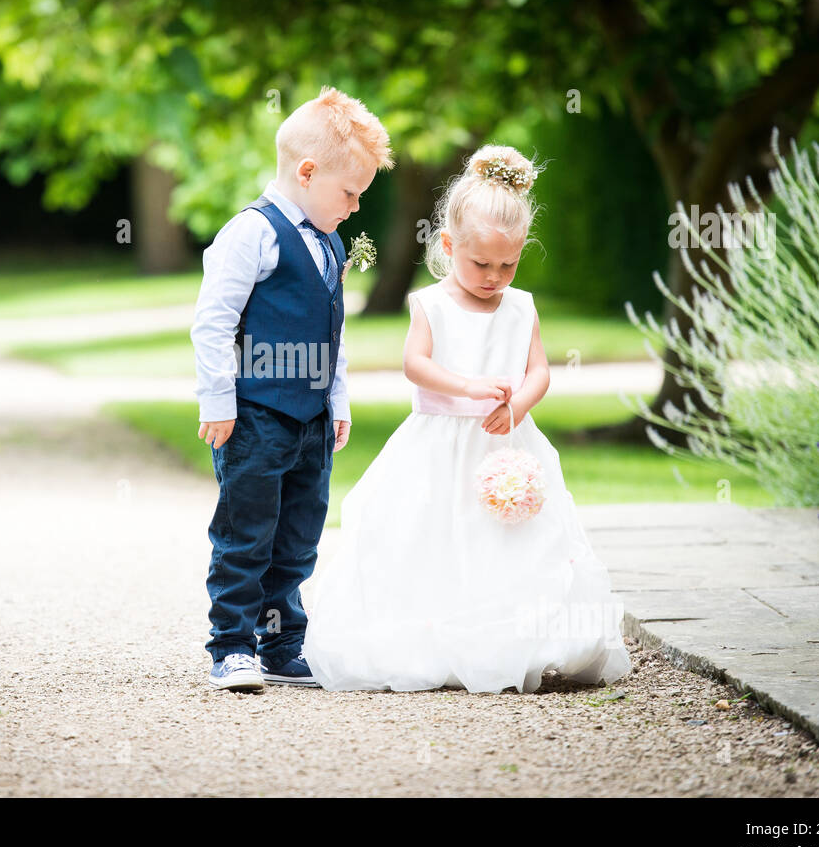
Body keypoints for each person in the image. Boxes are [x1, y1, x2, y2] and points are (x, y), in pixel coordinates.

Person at [301, 144, 632, 694]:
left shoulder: (520, 306)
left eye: (508, 264)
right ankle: (434, 640)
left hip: (506, 446)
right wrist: (469, 386)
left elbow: (539, 371)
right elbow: (415, 366)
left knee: (510, 542)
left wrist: (515, 405)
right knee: (434, 534)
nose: (494, 276)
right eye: (481, 263)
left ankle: (511, 639)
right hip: (438, 442)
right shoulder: (431, 306)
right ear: (449, 245)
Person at [191, 86, 394, 691]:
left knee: (298, 537)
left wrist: (337, 401)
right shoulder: (252, 233)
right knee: (246, 533)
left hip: (309, 421)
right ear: (308, 171)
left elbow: (331, 331)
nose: (356, 208)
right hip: (255, 416)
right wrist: (218, 401)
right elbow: (213, 322)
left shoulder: (329, 241)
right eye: (351, 193)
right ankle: (231, 645)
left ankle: (281, 645)